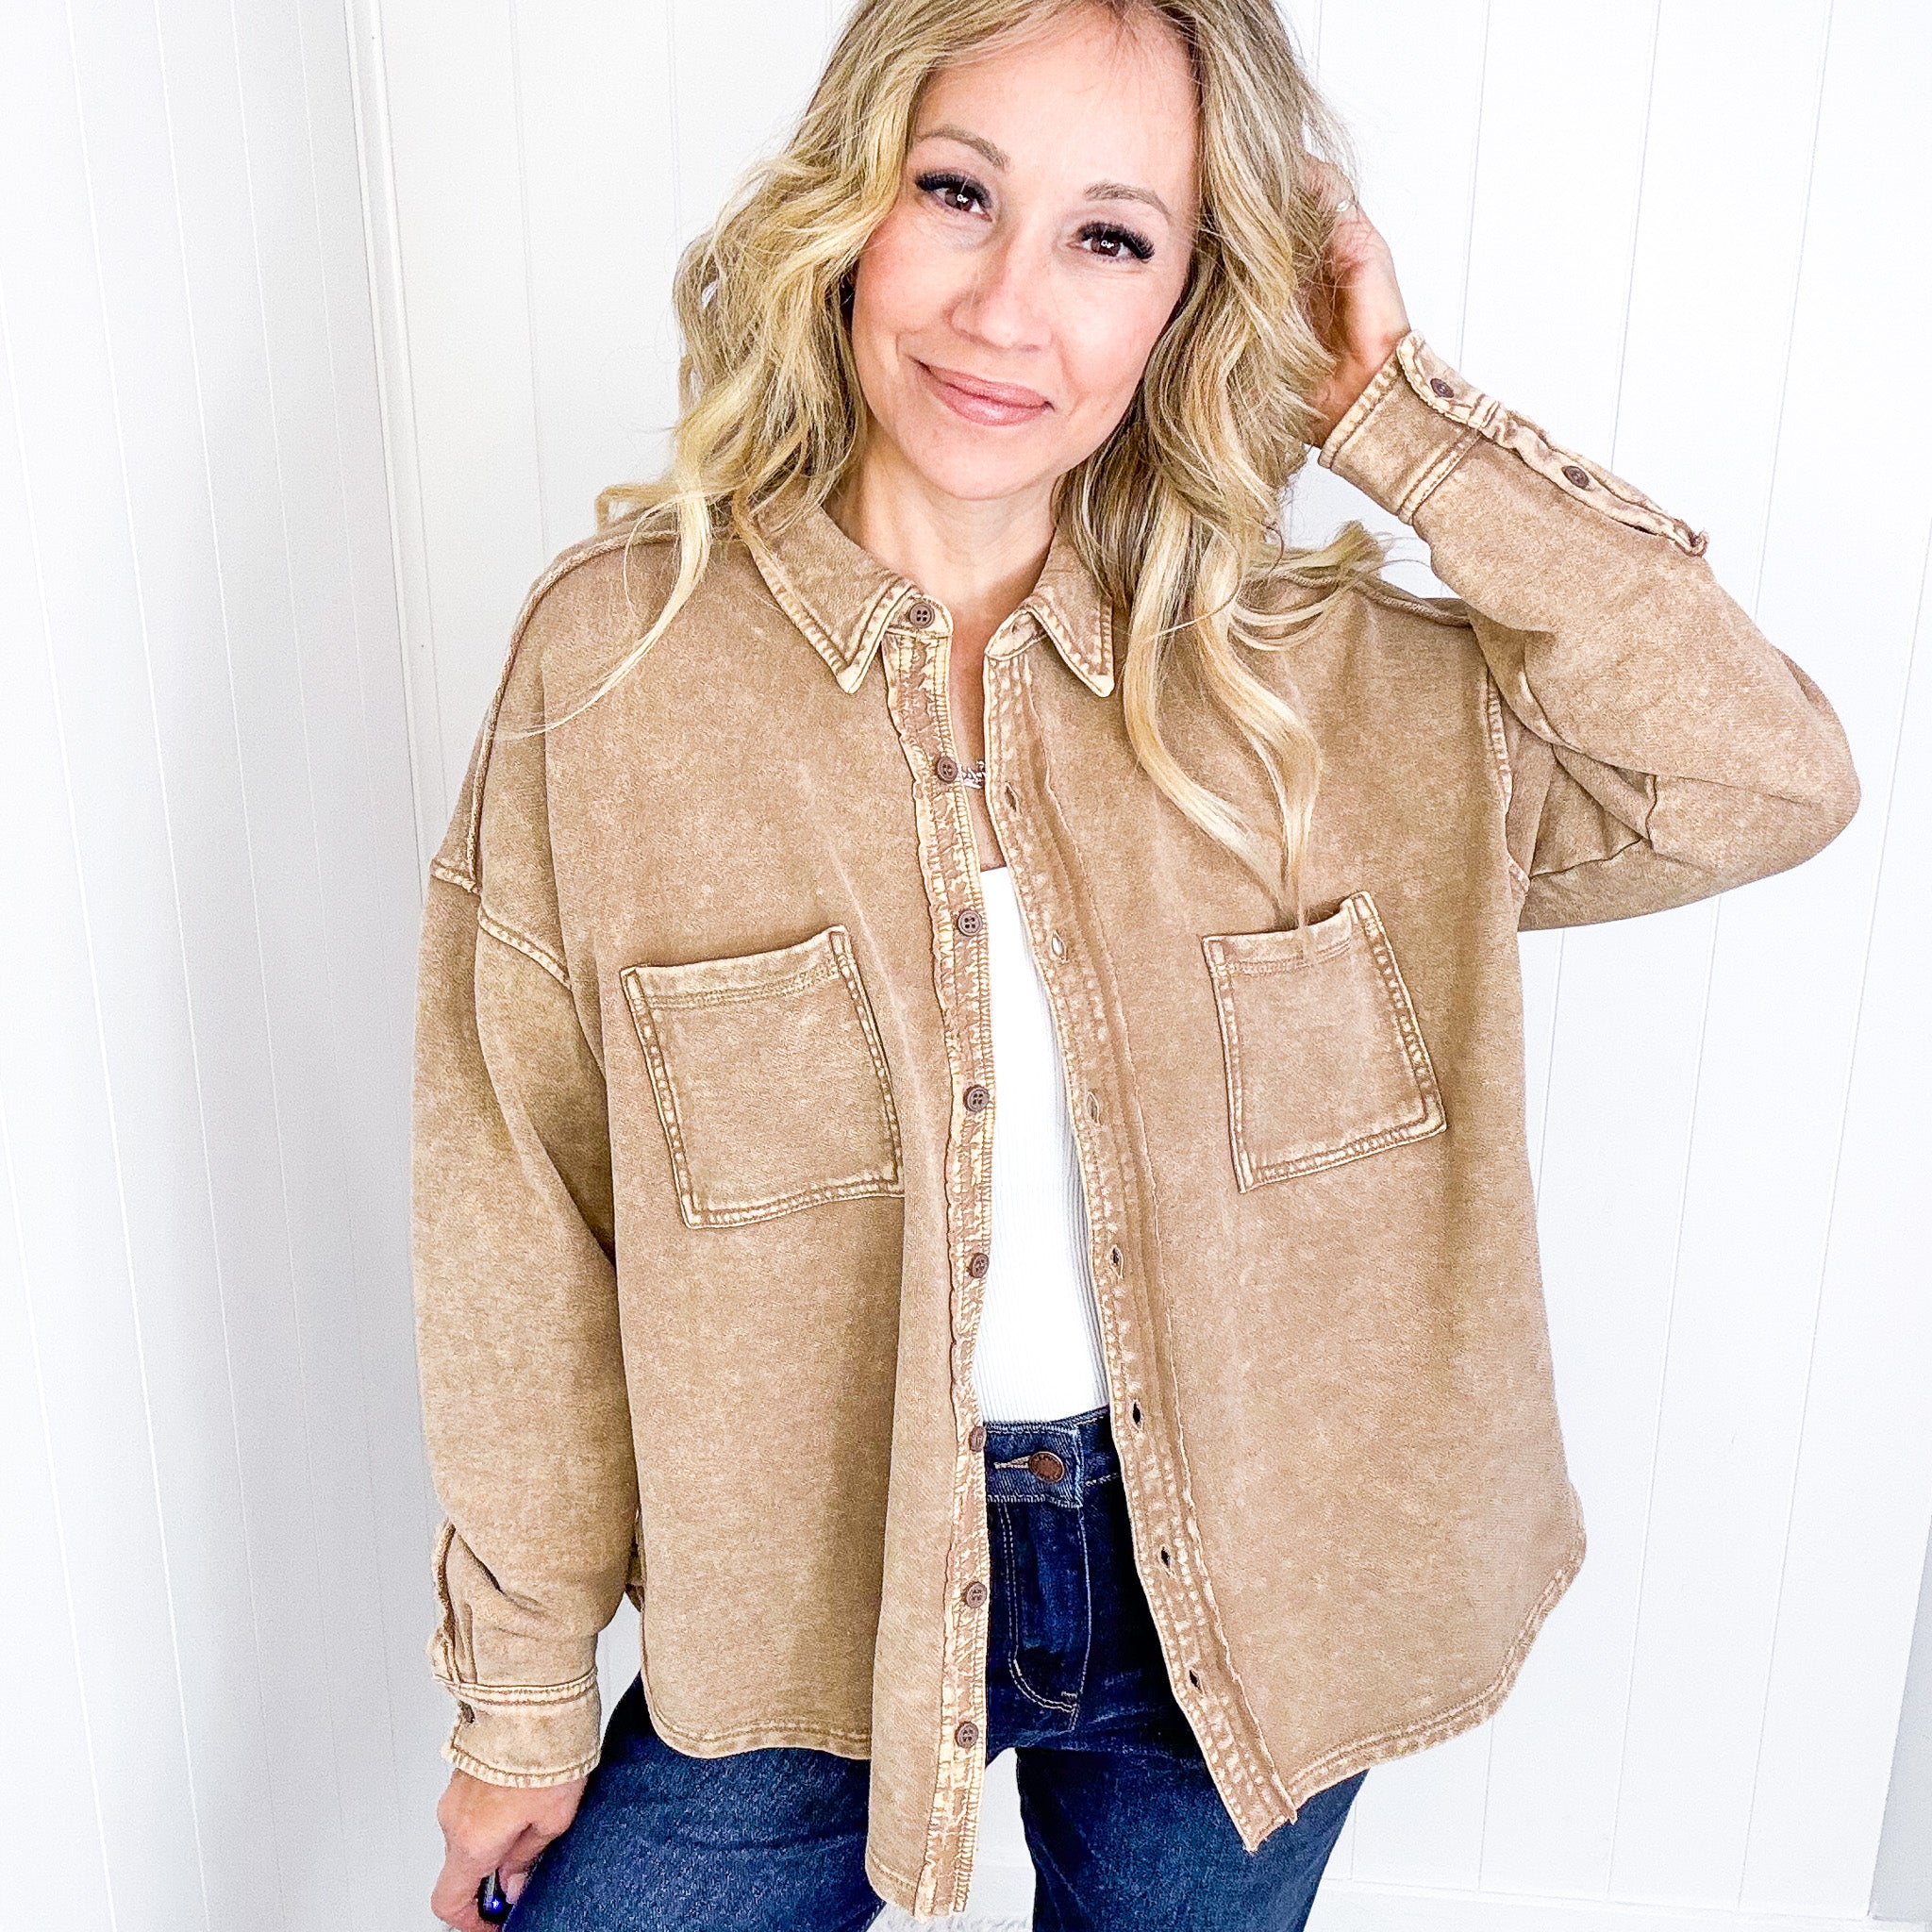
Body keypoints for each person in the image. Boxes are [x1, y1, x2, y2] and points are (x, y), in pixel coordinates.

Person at [411, 2, 1861, 1927]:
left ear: (1195, 298)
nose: (1006, 307)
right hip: (812, 1594)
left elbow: (1762, 778)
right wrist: (521, 1698)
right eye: (955, 192)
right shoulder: (622, 668)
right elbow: (517, 1212)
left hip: (1256, 1590)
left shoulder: (1327, 690)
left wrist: (1394, 413)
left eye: (1110, 236)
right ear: (848, 208)